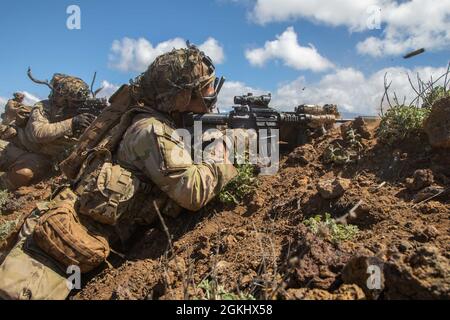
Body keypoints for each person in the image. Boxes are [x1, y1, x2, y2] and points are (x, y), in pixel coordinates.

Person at [0, 47, 237, 300]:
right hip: (63, 243)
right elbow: (193, 190)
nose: (212, 95)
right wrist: (227, 147)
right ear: (180, 96)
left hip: (91, 239)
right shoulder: (151, 130)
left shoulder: (156, 122)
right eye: (206, 88)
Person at [0, 74, 96, 190]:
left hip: (39, 159)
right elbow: (38, 133)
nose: (56, 97)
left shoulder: (85, 115)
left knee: (23, 174)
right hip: (15, 146)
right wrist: (72, 123)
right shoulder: (44, 106)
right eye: (58, 94)